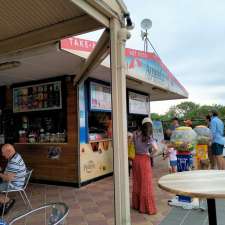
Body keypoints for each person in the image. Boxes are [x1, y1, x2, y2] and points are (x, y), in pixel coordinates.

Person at [132, 117, 158, 215]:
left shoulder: (135, 134)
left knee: (137, 182)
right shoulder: (149, 137)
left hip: (136, 159)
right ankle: (146, 208)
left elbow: (129, 141)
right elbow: (156, 149)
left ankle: (137, 205)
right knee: (146, 183)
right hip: (144, 160)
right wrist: (150, 155)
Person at [0, 144, 27, 213]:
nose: (2, 154)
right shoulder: (16, 155)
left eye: (3, 152)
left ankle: (7, 201)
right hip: (16, 181)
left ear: (9, 151)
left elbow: (8, 179)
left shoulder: (14, 162)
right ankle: (4, 200)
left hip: (13, 184)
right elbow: (10, 172)